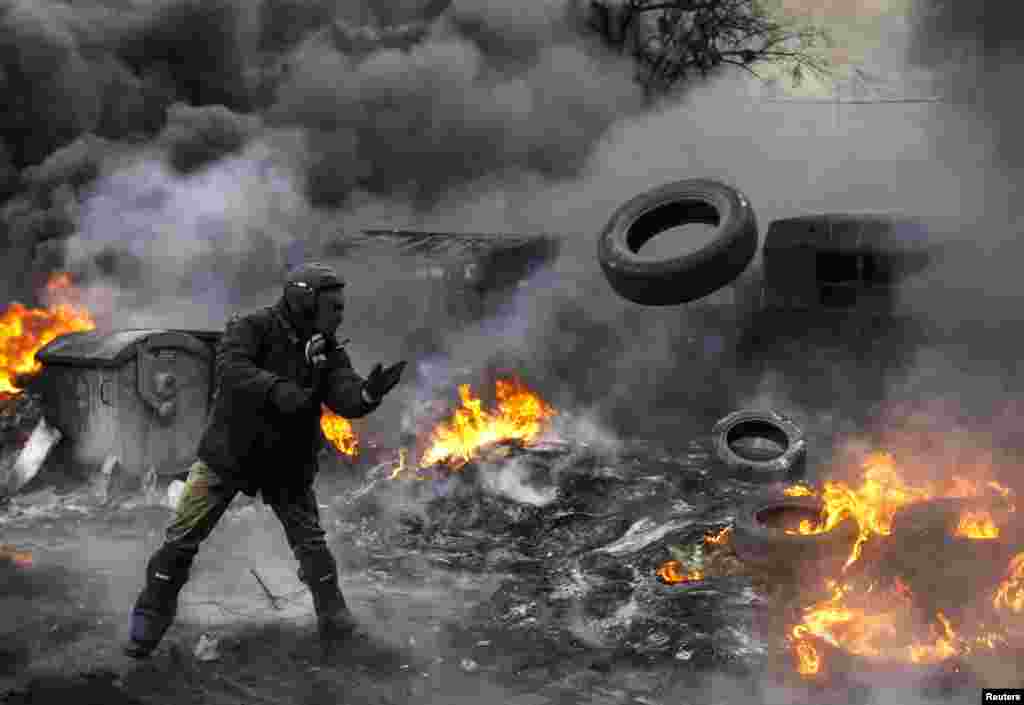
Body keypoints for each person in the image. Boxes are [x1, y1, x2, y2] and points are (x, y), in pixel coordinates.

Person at [124, 262, 406, 659]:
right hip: (230, 455)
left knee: (311, 546)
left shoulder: (327, 349)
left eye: (341, 307)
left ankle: (336, 623)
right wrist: (279, 390)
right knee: (182, 539)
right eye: (333, 306)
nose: (340, 314)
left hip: (286, 464)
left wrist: (368, 395)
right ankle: (148, 623)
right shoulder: (252, 328)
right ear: (303, 300)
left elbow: (342, 394)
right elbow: (232, 369)